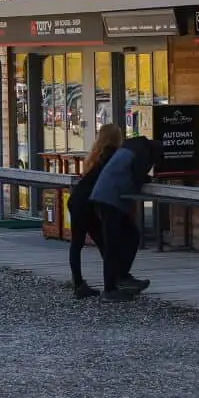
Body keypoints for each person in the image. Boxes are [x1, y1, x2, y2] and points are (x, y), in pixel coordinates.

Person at [89, 135, 160, 302]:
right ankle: (110, 289)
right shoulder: (142, 153)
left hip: (104, 196)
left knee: (131, 236)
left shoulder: (131, 146)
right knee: (113, 244)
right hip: (110, 199)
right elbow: (137, 178)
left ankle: (122, 276)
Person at [67, 124, 123, 299]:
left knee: (81, 243)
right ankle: (111, 285)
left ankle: (80, 284)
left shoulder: (95, 155)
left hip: (78, 200)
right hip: (86, 203)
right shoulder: (110, 154)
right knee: (102, 243)